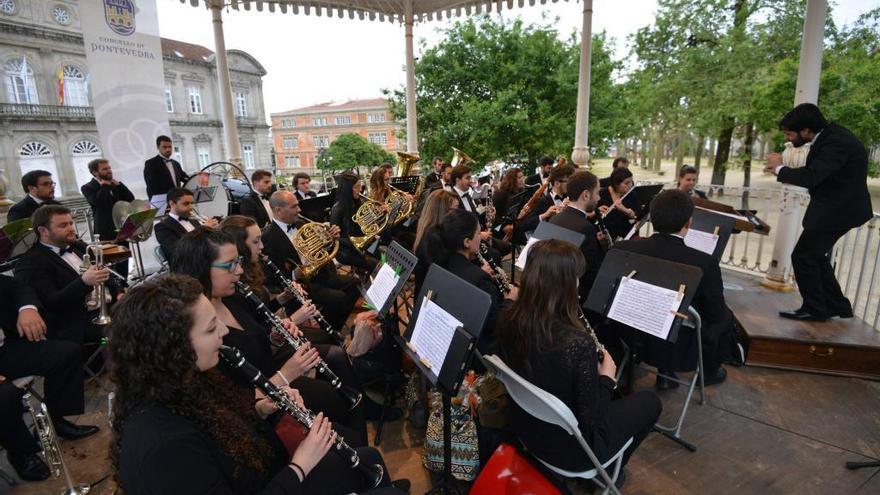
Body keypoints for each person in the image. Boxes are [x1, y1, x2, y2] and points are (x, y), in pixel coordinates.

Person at [110, 274, 403, 494]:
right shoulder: (165, 446)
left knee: (369, 458)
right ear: (172, 345)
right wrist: (300, 463)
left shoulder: (180, 382)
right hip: (273, 483)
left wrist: (260, 410)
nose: (223, 331)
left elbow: (217, 435)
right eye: (211, 328)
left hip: (263, 476)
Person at [170, 229, 369, 444]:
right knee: (343, 413)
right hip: (262, 409)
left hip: (278, 386)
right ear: (201, 268)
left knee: (349, 401)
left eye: (239, 261)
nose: (239, 270)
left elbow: (259, 350)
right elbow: (236, 403)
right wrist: (286, 374)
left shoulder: (233, 297)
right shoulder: (198, 329)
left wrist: (275, 339)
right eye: (230, 265)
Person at [497, 239, 661, 483]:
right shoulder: (576, 343)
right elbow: (592, 419)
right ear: (564, 285)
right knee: (650, 402)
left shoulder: (509, 315)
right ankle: (609, 476)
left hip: (526, 429)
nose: (578, 284)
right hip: (572, 452)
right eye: (575, 278)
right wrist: (606, 378)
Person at [614, 190, 735, 388]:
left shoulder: (623, 249)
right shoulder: (705, 263)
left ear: (651, 218)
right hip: (678, 345)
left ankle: (665, 373)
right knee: (724, 316)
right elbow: (715, 314)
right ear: (688, 223)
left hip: (631, 334)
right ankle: (710, 370)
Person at [764, 103, 873, 322]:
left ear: (806, 131)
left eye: (790, 134)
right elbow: (818, 171)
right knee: (814, 256)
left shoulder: (836, 143)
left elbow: (812, 177)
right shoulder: (829, 137)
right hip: (835, 208)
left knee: (803, 257)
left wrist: (778, 169)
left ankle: (815, 309)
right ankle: (837, 305)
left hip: (840, 210)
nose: (789, 139)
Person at [0, 274, 96, 476]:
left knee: (66, 353)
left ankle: (55, 420)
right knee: (5, 396)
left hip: (5, 350)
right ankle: (21, 453)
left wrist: (27, 309)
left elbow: (19, 286)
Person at [418, 209, 517, 353]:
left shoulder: (437, 266)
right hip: (481, 351)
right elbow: (497, 325)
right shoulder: (479, 278)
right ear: (467, 242)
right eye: (478, 233)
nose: (480, 236)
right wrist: (510, 300)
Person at [13, 205, 112, 346]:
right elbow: (51, 303)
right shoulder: (31, 262)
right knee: (120, 333)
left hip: (106, 306)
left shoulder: (78, 246)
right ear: (43, 231)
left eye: (71, 223)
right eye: (63, 225)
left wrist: (119, 291)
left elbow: (104, 273)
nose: (71, 228)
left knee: (148, 313)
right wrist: (83, 282)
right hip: (77, 321)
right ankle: (110, 354)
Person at [262, 190, 359, 333]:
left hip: (321, 274)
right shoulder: (268, 237)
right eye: (294, 206)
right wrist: (294, 275)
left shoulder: (301, 224)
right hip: (302, 286)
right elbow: (269, 276)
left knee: (355, 283)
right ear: (278, 210)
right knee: (339, 299)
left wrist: (331, 239)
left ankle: (330, 326)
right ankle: (327, 332)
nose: (299, 210)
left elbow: (321, 249)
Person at [549, 171, 605, 302]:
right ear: (586, 195)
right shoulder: (585, 228)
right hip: (574, 297)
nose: (598, 198)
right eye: (597, 193)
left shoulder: (555, 218)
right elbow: (591, 272)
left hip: (554, 289)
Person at [81, 158, 136, 278]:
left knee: (124, 258)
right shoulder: (88, 187)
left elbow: (130, 199)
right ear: (95, 172)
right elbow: (99, 202)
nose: (109, 171)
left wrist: (120, 186)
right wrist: (105, 187)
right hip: (105, 230)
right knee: (110, 263)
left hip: (121, 227)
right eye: (105, 169)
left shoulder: (114, 184)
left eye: (109, 168)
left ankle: (124, 284)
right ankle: (115, 289)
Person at [329, 172, 379, 273]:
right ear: (347, 189)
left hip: (361, 245)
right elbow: (335, 239)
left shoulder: (359, 202)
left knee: (383, 254)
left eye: (360, 186)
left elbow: (366, 224)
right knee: (375, 264)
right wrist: (356, 243)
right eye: (357, 187)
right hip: (345, 251)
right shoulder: (337, 209)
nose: (360, 190)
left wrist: (379, 213)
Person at [155, 188, 219, 262]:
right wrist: (203, 229)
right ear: (172, 203)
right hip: (185, 267)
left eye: (192, 203)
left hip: (204, 260)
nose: (191, 207)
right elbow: (179, 251)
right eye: (186, 204)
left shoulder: (194, 221)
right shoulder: (162, 227)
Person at [413, 189, 460, 290]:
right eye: (455, 209)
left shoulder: (430, 230)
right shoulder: (434, 237)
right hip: (431, 296)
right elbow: (445, 276)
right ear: (443, 210)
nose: (458, 213)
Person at [517, 165, 574, 234]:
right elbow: (524, 225)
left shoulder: (572, 199)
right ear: (557, 183)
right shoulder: (541, 201)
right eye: (568, 182)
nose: (571, 185)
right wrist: (545, 215)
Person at [598, 167, 639, 241]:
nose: (630, 185)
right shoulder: (602, 194)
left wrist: (624, 210)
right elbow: (591, 213)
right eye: (626, 183)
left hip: (627, 234)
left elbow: (637, 216)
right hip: (607, 235)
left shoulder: (633, 194)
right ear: (616, 183)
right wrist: (597, 211)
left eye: (631, 182)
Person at [144, 135, 187, 199]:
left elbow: (185, 178)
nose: (168, 149)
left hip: (178, 201)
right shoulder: (151, 163)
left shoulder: (176, 163)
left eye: (170, 147)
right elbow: (151, 187)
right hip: (163, 201)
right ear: (158, 147)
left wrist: (196, 177)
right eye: (164, 147)